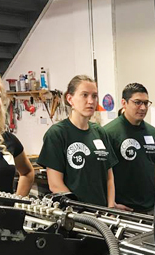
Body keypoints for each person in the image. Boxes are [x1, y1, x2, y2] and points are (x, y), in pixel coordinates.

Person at [38, 75, 118, 207]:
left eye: (94, 96)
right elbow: (55, 185)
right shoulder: (57, 134)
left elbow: (109, 177)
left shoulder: (99, 132)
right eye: (84, 95)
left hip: (103, 215)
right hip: (75, 216)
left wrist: (110, 209)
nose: (91, 101)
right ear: (70, 99)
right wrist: (80, 212)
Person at [104, 83, 155, 214]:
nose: (143, 108)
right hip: (124, 209)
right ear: (124, 103)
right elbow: (103, 173)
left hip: (151, 207)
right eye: (137, 102)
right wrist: (112, 204)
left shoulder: (152, 132)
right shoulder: (109, 133)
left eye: (146, 103)